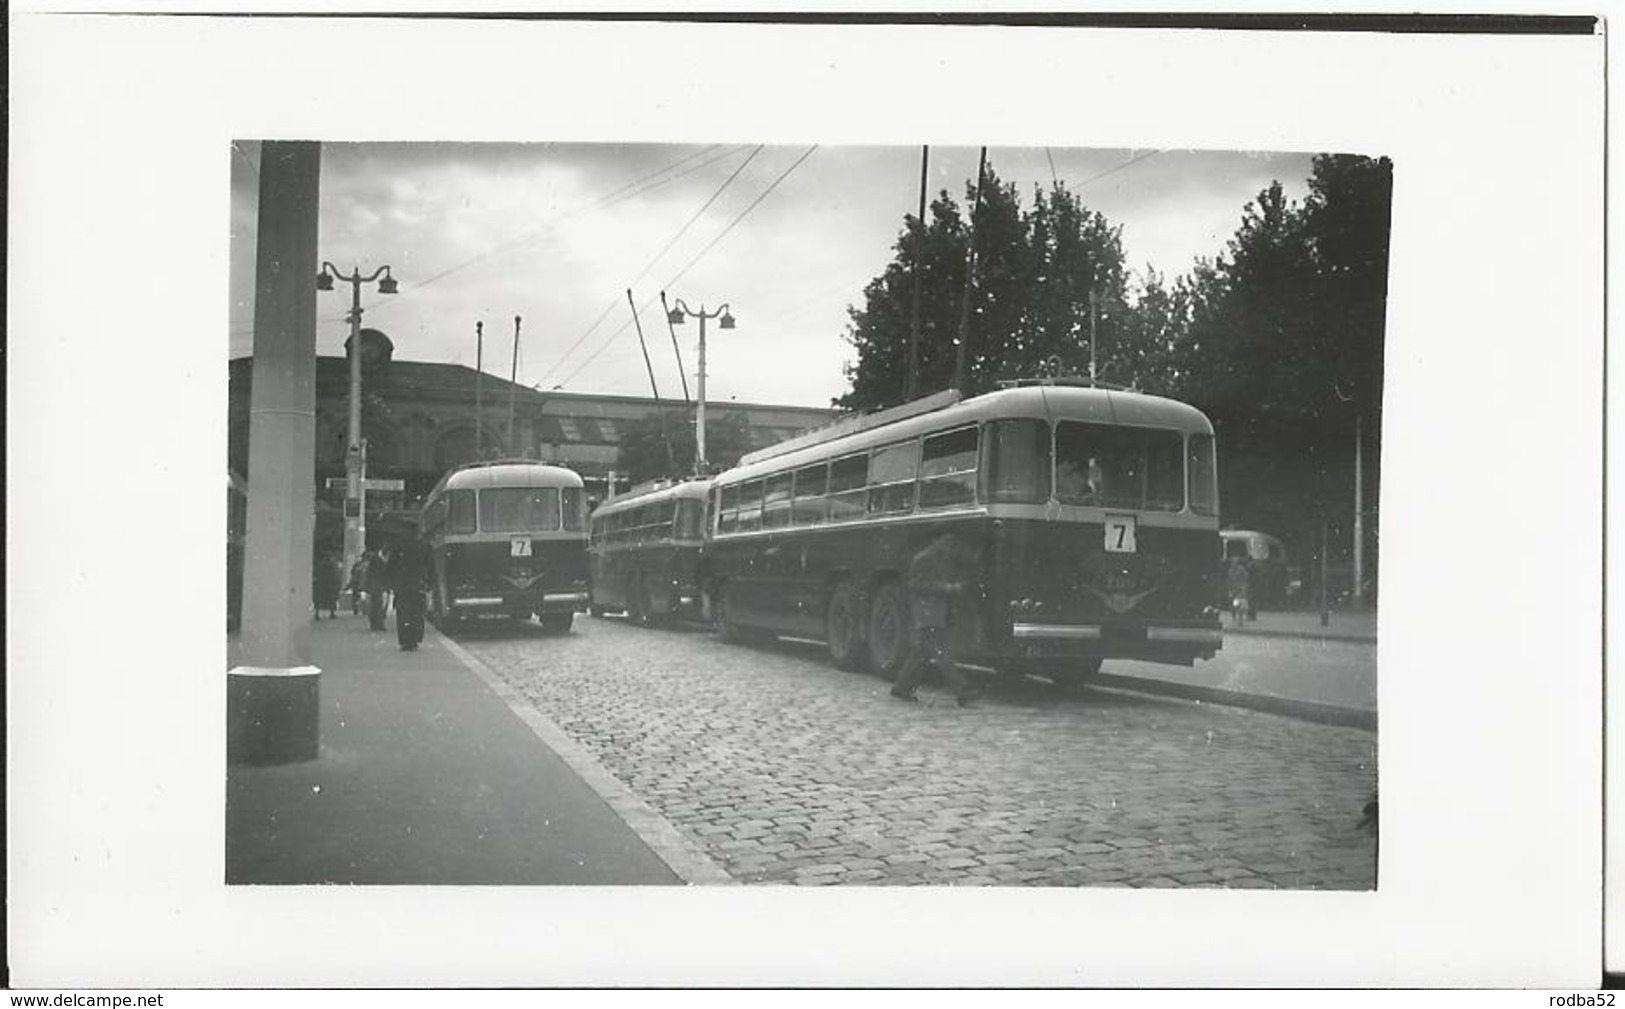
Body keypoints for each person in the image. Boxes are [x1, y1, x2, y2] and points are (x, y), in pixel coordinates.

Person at [890, 532, 984, 706]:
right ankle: (963, 691)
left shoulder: (943, 558)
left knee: (921, 654)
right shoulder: (924, 559)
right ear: (935, 540)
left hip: (940, 613)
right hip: (929, 613)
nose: (949, 544)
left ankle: (901, 687)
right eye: (946, 540)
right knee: (942, 656)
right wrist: (949, 588)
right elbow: (916, 585)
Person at [389, 532, 434, 651]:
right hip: (418, 584)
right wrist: (430, 583)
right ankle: (415, 639)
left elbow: (391, 566)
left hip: (402, 585)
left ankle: (405, 640)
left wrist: (392, 582)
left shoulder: (398, 545)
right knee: (417, 613)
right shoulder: (424, 545)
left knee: (403, 613)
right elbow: (431, 566)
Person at [364, 546, 392, 631]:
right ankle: (378, 624)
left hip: (379, 586)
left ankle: (375, 624)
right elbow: (372, 573)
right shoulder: (376, 559)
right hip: (376, 586)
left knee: (377, 605)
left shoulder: (379, 559)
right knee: (377, 605)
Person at [312, 547, 341, 620]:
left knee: (319, 599)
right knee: (331, 599)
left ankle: (317, 614)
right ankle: (331, 613)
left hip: (322, 585)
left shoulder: (320, 565)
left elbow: (316, 574)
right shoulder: (334, 565)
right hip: (330, 585)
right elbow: (336, 575)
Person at [1225, 554, 1252, 627]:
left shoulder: (1242, 569)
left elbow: (1246, 578)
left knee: (1239, 604)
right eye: (1233, 562)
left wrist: (1244, 589)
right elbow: (1229, 581)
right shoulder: (1230, 571)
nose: (1234, 564)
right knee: (1233, 605)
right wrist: (1229, 590)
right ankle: (1234, 618)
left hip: (1240, 589)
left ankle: (1240, 620)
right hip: (1233, 589)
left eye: (1235, 562)